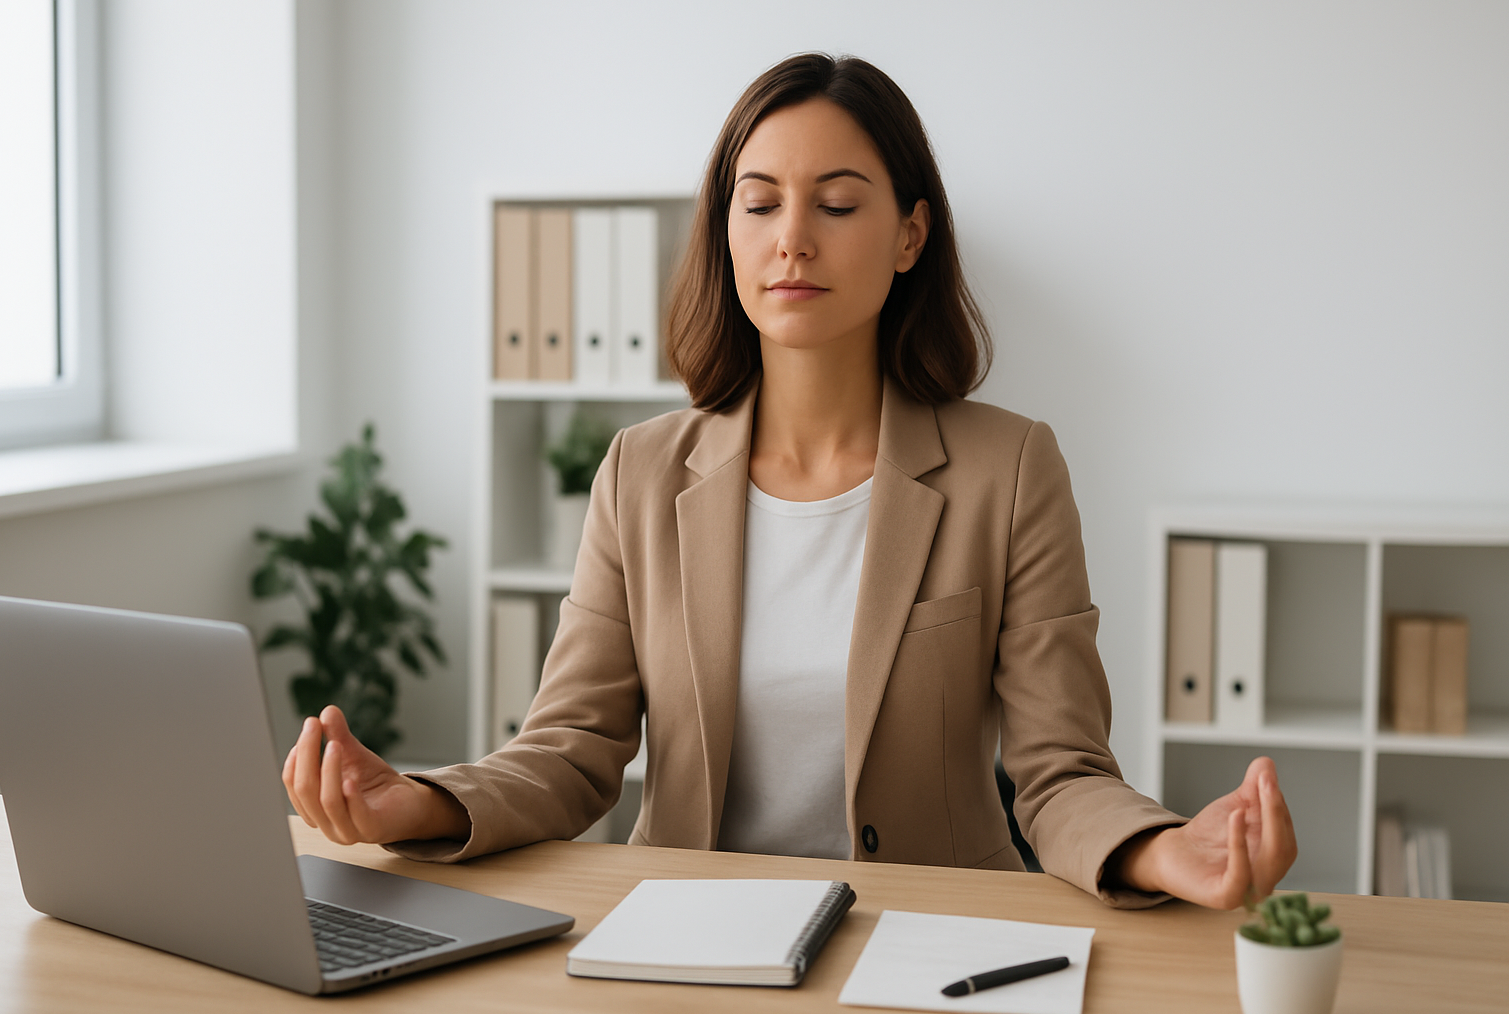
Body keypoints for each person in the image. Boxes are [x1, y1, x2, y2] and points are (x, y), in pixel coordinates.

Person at [284, 53, 1296, 911]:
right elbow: (571, 749)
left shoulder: (1011, 468)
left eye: (837, 204)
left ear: (910, 235)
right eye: (760, 202)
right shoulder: (641, 472)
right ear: (726, 231)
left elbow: (1059, 770)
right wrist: (420, 802)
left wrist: (1160, 848)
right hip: (686, 936)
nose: (792, 239)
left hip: (931, 938)